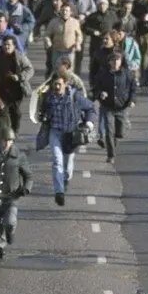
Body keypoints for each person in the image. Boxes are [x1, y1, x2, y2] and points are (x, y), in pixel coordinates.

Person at [36, 68, 96, 206]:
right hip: (55, 132)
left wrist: (89, 123)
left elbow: (91, 108)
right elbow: (40, 111)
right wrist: (42, 115)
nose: (57, 87)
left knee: (68, 162)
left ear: (66, 83)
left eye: (59, 84)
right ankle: (59, 192)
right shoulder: (48, 96)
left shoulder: (75, 97)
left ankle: (66, 179)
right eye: (55, 84)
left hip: (70, 134)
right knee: (57, 161)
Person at [0, 126, 33, 264]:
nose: (7, 143)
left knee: (10, 222)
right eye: (4, 140)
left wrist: (26, 188)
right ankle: (1, 252)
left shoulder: (19, 156)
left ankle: (9, 231)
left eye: (10, 140)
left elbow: (28, 176)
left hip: (11, 197)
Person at [91, 50, 136, 163]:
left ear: (121, 61)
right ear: (109, 62)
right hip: (108, 107)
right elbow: (95, 89)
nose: (115, 62)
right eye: (113, 60)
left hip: (122, 107)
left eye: (117, 60)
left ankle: (118, 134)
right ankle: (110, 155)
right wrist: (100, 94)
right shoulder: (103, 74)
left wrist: (132, 100)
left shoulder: (127, 73)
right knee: (109, 131)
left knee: (120, 133)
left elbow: (133, 88)